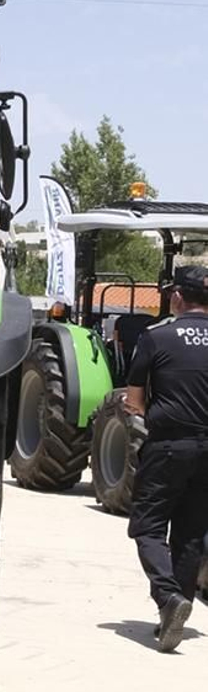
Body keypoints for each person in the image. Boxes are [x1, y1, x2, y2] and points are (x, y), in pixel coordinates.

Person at [121, 262, 208, 650]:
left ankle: (168, 597)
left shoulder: (158, 336)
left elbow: (135, 400)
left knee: (148, 526)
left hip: (169, 446)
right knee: (191, 532)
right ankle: (176, 608)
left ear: (176, 297)